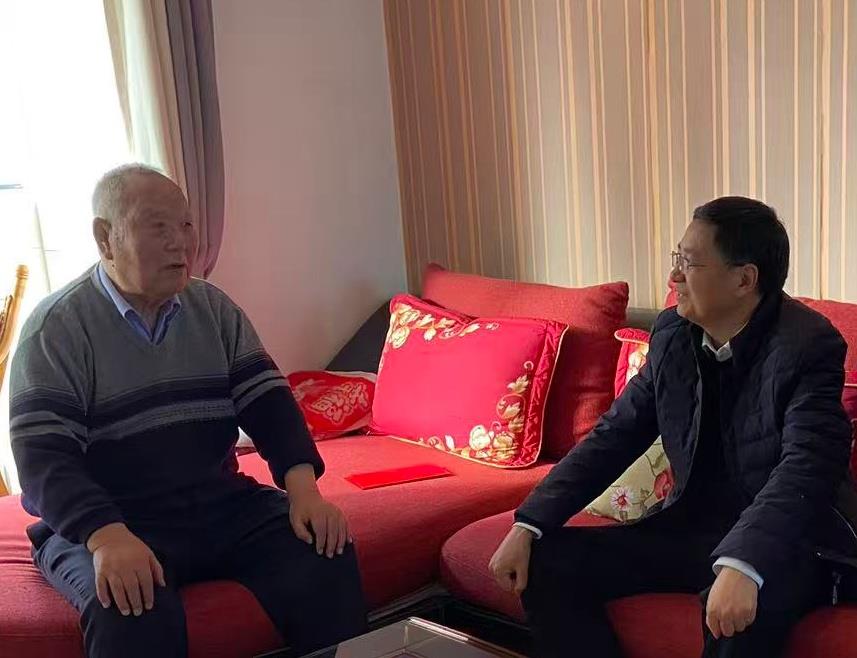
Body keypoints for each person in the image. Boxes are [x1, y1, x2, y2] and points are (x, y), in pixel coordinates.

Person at [10, 163, 367, 658]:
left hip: (215, 503)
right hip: (110, 519)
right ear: (105, 238)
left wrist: (303, 491)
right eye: (158, 226)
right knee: (130, 606)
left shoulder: (213, 310)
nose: (181, 242)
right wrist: (107, 537)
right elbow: (44, 460)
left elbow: (268, 403)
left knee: (324, 552)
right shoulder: (57, 328)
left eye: (186, 225)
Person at [489, 196, 857, 657]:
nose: (674, 277)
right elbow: (615, 434)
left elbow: (807, 467)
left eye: (689, 263)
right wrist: (530, 522)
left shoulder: (808, 344)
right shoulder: (673, 334)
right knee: (547, 562)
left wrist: (745, 560)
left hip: (793, 542)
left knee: (739, 614)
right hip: (693, 529)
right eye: (676, 258)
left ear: (744, 279)